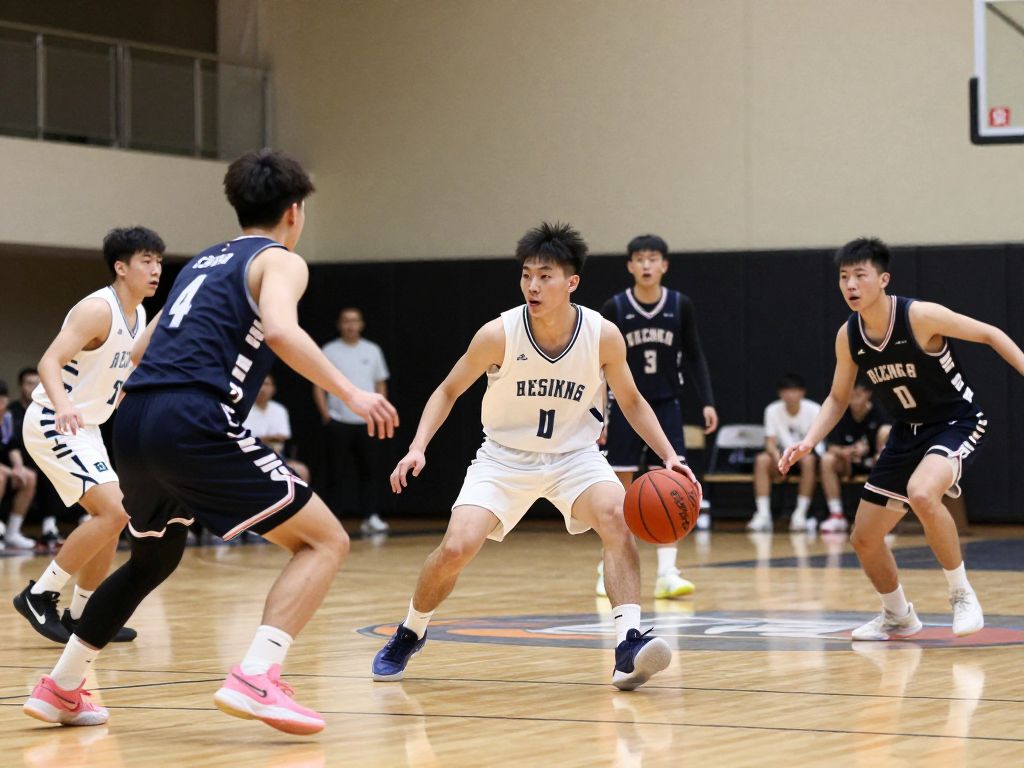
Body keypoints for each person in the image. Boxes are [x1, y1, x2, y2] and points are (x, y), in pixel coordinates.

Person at [22, 149, 398, 733]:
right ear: (294, 212)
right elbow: (281, 330)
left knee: (154, 557)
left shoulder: (201, 262)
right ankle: (257, 676)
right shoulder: (280, 261)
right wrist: (352, 393)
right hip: (193, 417)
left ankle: (62, 687)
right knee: (325, 540)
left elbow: (140, 350)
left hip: (134, 420)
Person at [371, 222, 697, 691]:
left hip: (574, 457)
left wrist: (669, 456)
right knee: (456, 548)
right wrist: (417, 447)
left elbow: (631, 400)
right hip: (504, 458)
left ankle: (628, 643)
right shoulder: (498, 334)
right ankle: (411, 630)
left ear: (572, 282)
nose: (533, 286)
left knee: (617, 517)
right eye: (526, 275)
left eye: (545, 276)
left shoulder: (603, 335)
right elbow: (447, 390)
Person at [780, 237, 1024, 640]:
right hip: (906, 432)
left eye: (860, 275)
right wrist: (809, 440)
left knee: (923, 493)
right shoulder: (849, 335)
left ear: (883, 279)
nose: (850, 284)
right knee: (864, 538)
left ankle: (962, 594)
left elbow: (991, 334)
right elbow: (838, 397)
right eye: (844, 277)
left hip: (956, 422)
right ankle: (898, 615)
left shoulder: (919, 316)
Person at [14, 227, 165, 646]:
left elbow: (120, 378)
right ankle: (39, 595)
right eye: (146, 261)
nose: (156, 269)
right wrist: (64, 405)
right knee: (114, 512)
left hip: (88, 427)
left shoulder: (140, 317)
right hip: (53, 420)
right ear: (121, 267)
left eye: (158, 261)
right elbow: (49, 361)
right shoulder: (99, 309)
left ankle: (83, 615)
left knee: (114, 518)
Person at [596, 234, 717, 600]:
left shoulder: (680, 305)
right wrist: (599, 413)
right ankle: (610, 564)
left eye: (653, 258)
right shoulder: (616, 307)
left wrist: (707, 401)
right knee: (618, 487)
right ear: (630, 265)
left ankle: (667, 572)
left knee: (672, 484)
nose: (646, 265)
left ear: (664, 265)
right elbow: (599, 364)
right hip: (624, 405)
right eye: (639, 258)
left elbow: (694, 355)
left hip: (666, 405)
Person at [314, 307, 391, 535]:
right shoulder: (329, 350)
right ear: (339, 324)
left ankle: (371, 516)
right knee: (335, 473)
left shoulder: (372, 350)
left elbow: (380, 383)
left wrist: (379, 412)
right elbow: (318, 384)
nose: (350, 325)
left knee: (370, 471)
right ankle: (333, 519)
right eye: (346, 321)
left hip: (368, 421)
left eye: (354, 320)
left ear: (361, 324)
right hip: (338, 420)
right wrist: (326, 414)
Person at [747, 373, 821, 532]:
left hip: (806, 455)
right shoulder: (772, 410)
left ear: (802, 392)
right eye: (787, 391)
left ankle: (800, 514)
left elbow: (815, 443)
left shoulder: (815, 410)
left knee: (808, 461)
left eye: (795, 390)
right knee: (762, 460)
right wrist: (778, 459)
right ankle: (763, 515)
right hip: (782, 457)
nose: (791, 395)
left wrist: (795, 456)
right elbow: (770, 442)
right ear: (780, 393)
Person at [819, 380, 890, 533]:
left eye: (858, 394)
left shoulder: (879, 413)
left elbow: (889, 436)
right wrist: (846, 451)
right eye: (851, 394)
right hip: (848, 463)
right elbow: (831, 446)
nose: (854, 398)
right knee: (827, 460)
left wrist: (876, 452)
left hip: (874, 463)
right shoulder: (841, 412)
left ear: (868, 394)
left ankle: (882, 518)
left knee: (883, 452)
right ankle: (836, 515)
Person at [8, 366, 66, 552]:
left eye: (37, 384)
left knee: (54, 469)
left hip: (40, 460)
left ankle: (50, 527)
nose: (33, 388)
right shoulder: (11, 412)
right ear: (21, 386)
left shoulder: (47, 411)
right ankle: (10, 531)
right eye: (29, 383)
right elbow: (9, 443)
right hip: (14, 462)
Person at [245, 374, 311, 483]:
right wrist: (270, 438)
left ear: (273, 389)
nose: (262, 388)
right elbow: (246, 439)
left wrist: (262, 438)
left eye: (266, 384)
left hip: (276, 456)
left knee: (301, 470)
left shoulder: (279, 410)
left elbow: (282, 437)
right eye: (259, 384)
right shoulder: (244, 410)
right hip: (249, 457)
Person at [1, 379, 38, 550]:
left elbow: (12, 446)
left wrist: (18, 467)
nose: (2, 403)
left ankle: (12, 532)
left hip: (6, 468)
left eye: (3, 398)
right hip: (2, 472)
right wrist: (11, 472)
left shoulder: (7, 418)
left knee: (29, 476)